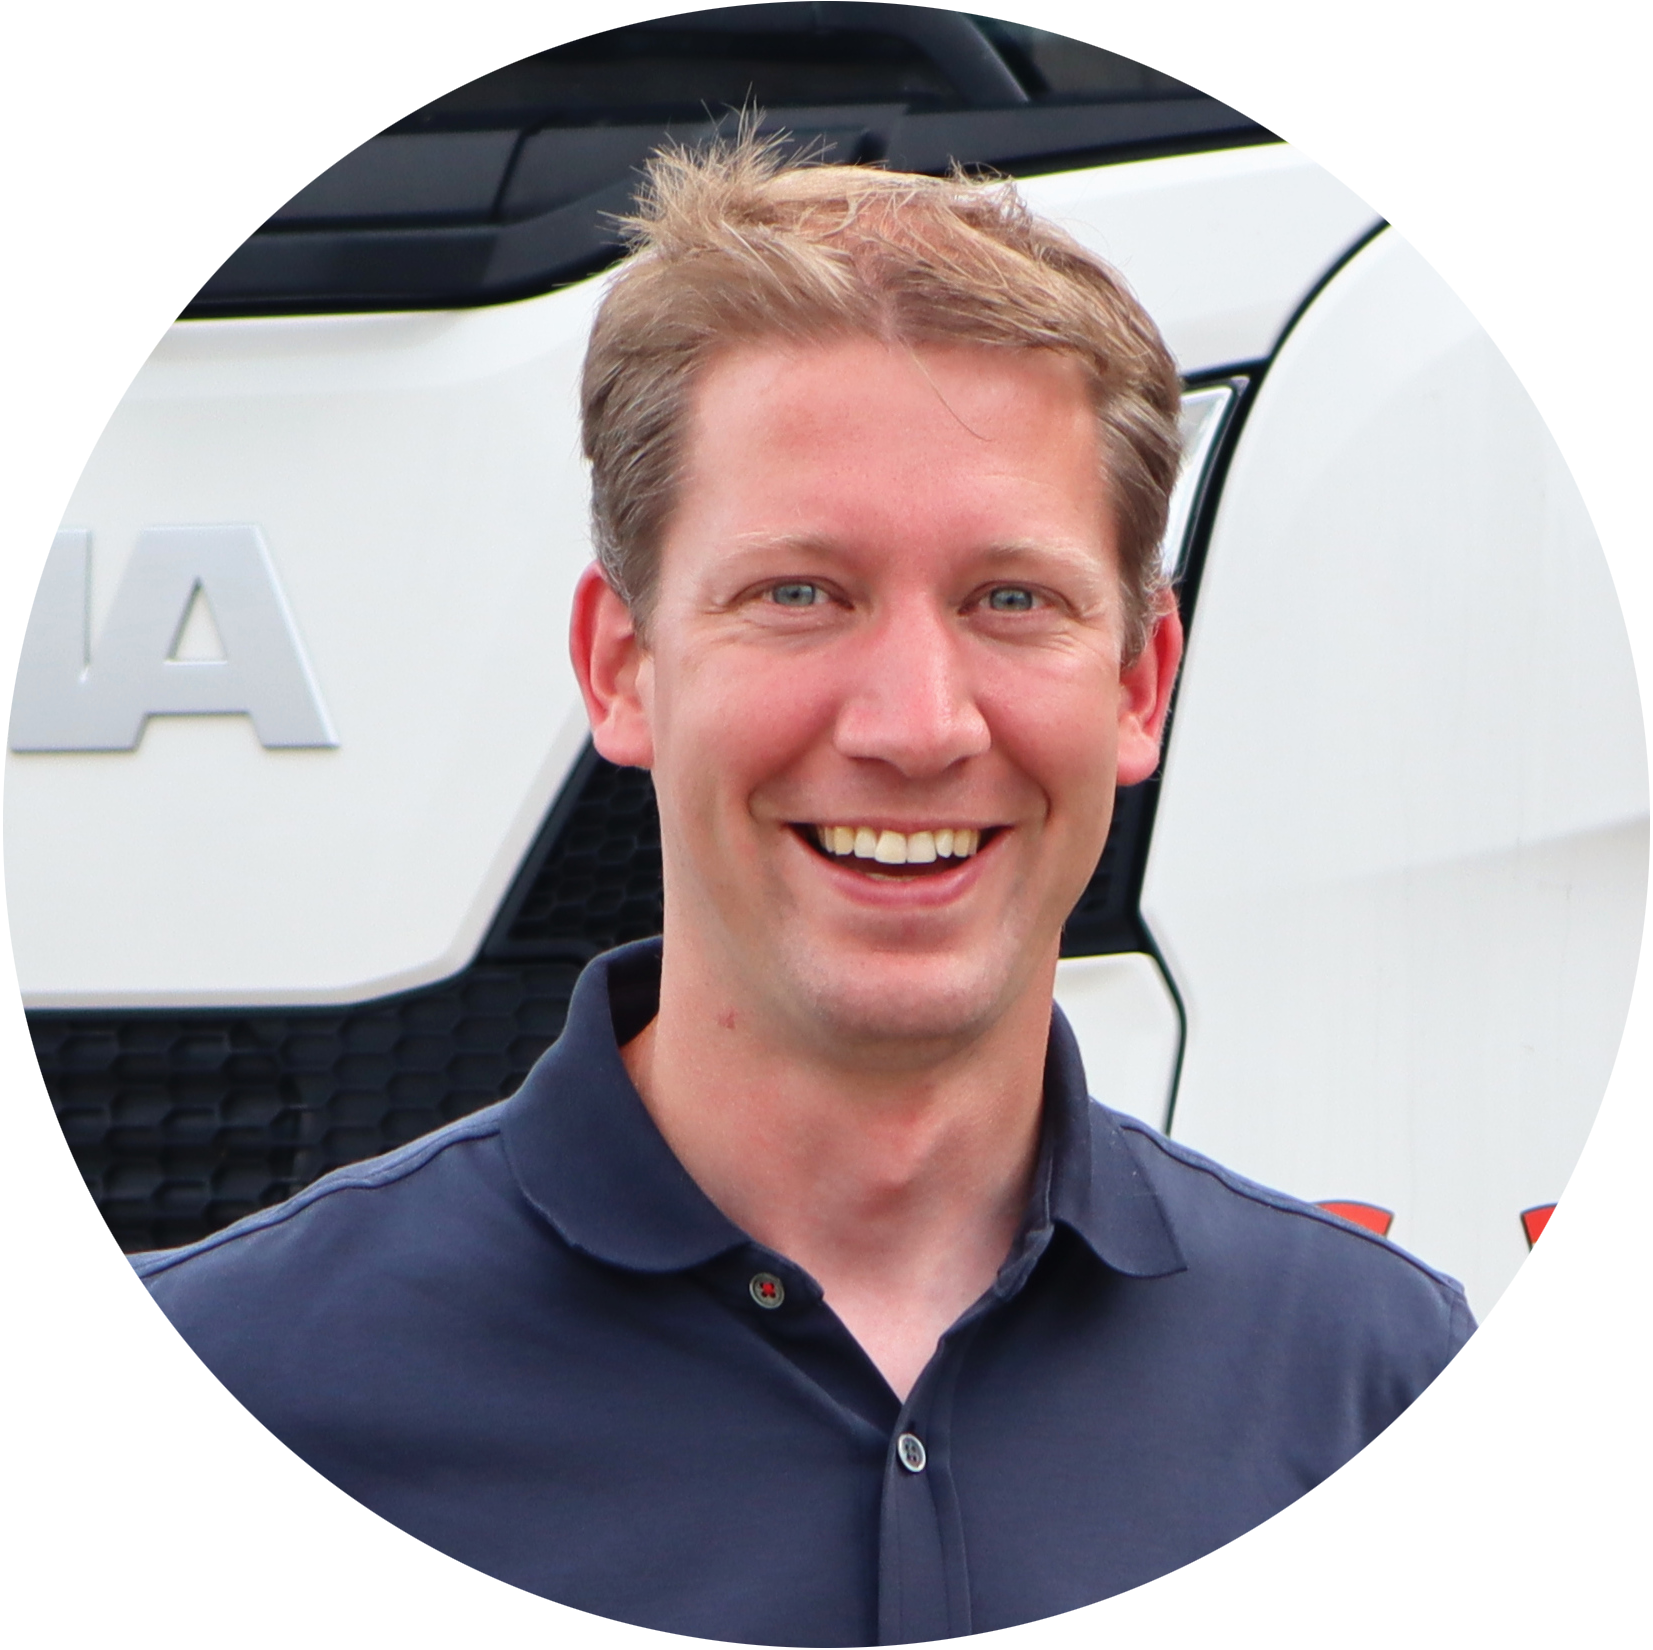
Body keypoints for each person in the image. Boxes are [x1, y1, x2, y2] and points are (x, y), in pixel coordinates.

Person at [134, 139, 1474, 1645]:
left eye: (1011, 600)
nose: (916, 725)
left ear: (1139, 683)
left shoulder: (1376, 1394)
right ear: (621, 667)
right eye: (799, 595)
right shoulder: (216, 1404)